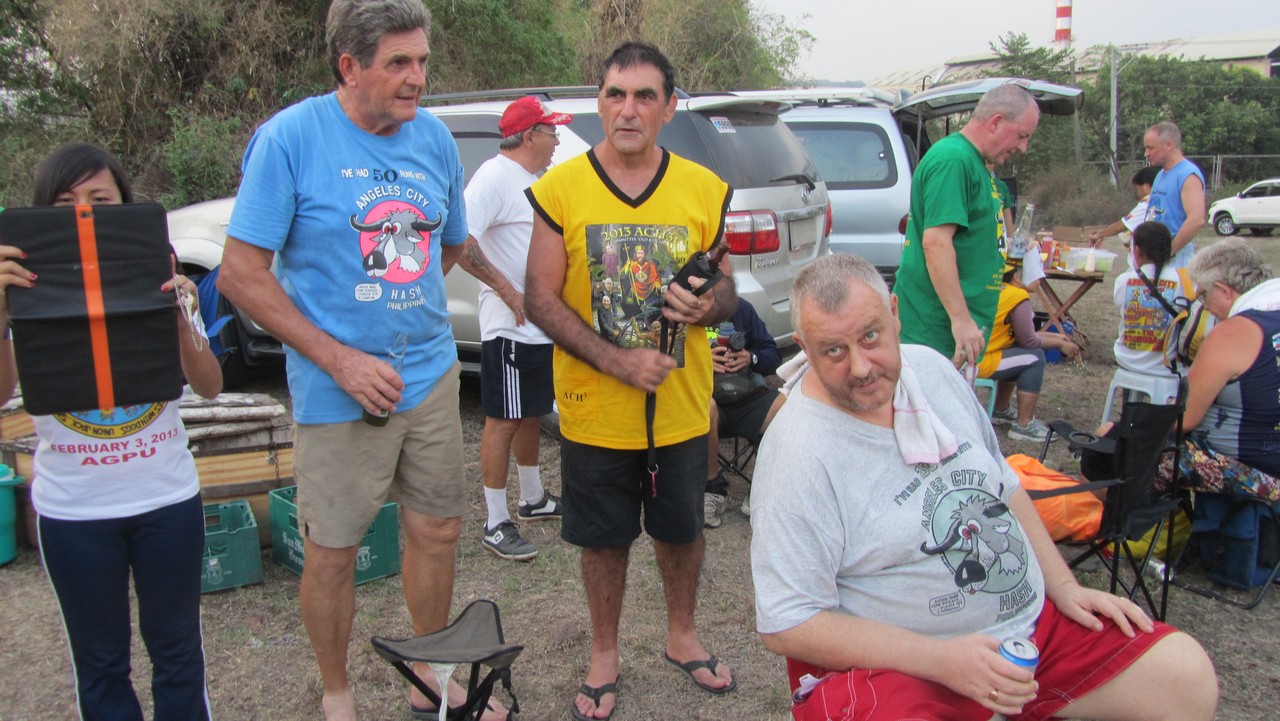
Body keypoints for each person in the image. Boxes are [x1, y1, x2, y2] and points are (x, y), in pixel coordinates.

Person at [750, 252, 1219, 721]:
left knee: (1184, 676)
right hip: (903, 669)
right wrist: (941, 660)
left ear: (894, 314)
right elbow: (789, 622)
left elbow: (1004, 484)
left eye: (870, 336)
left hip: (1029, 635)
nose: (860, 367)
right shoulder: (797, 453)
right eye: (833, 351)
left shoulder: (930, 370)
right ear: (804, 348)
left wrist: (1063, 586)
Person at [216, 2, 502, 719]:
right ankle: (336, 690)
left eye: (423, 61)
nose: (418, 78)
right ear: (349, 66)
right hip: (335, 388)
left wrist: (401, 311)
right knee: (334, 548)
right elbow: (240, 274)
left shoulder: (433, 138)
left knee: (437, 528)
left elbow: (448, 243)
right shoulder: (290, 139)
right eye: (399, 63)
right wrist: (342, 358)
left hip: (429, 373)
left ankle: (429, 672)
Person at [525, 41, 739, 721]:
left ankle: (683, 636)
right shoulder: (561, 189)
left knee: (681, 528)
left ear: (669, 108)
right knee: (603, 537)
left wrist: (709, 306)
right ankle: (604, 653)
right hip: (596, 407)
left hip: (680, 405)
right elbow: (539, 298)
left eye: (645, 96)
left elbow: (727, 288)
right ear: (599, 103)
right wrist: (616, 361)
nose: (628, 109)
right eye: (615, 94)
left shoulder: (703, 189)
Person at [0, 142, 222, 720]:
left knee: (178, 655)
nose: (84, 213)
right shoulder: (26, 288)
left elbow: (210, 385)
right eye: (65, 203)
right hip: (74, 511)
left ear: (126, 206)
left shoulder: (156, 276)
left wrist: (184, 315)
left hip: (166, 500)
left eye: (100, 200)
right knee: (100, 666)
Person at [461, 95, 572, 561]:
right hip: (508, 327)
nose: (557, 140)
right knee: (503, 418)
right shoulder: (494, 176)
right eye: (552, 132)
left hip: (537, 326)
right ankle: (494, 521)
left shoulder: (534, 180)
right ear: (529, 136)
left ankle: (532, 497)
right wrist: (507, 291)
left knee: (531, 411)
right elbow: (460, 242)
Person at [896, 84, 1041, 370]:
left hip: (956, 333)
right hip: (934, 332)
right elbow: (936, 242)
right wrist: (961, 320)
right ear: (996, 122)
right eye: (1022, 135)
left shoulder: (976, 164)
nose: (1023, 147)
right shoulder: (953, 160)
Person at [1158, 238, 1280, 501]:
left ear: (1224, 291)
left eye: (1203, 295)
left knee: (1120, 454)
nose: (1203, 305)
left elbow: (1184, 418)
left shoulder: (1235, 331)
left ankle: (1104, 522)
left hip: (1258, 470)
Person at [703, 298, 785, 527]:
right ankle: (712, 490)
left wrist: (750, 357)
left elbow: (773, 355)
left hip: (746, 395)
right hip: (707, 399)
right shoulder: (686, 311)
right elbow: (669, 360)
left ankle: (760, 487)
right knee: (706, 407)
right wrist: (701, 361)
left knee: (786, 407)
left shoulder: (741, 309)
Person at [982, 270, 1080, 442]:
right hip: (980, 362)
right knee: (1035, 358)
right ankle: (1024, 426)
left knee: (1019, 352)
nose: (1041, 279)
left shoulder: (1001, 289)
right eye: (1036, 273)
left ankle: (1000, 410)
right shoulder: (1018, 296)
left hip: (973, 357)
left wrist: (1057, 337)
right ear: (1017, 277)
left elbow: (1023, 335)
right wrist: (1059, 344)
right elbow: (1028, 341)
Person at [1112, 221, 1190, 376]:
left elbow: (1121, 307)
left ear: (1136, 251)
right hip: (1166, 365)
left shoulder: (1123, 280)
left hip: (1126, 360)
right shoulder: (1185, 281)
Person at [1143, 121, 1206, 268]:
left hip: (1176, 259)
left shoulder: (1187, 174)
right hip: (1156, 255)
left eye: (1150, 148)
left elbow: (1196, 220)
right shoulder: (1160, 175)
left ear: (1168, 145)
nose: (1146, 154)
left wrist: (1169, 252)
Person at [1088, 165, 1160, 254]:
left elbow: (1119, 227)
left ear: (1146, 186)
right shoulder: (1163, 202)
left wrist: (1099, 235)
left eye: (1137, 189)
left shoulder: (1147, 204)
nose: (1137, 193)